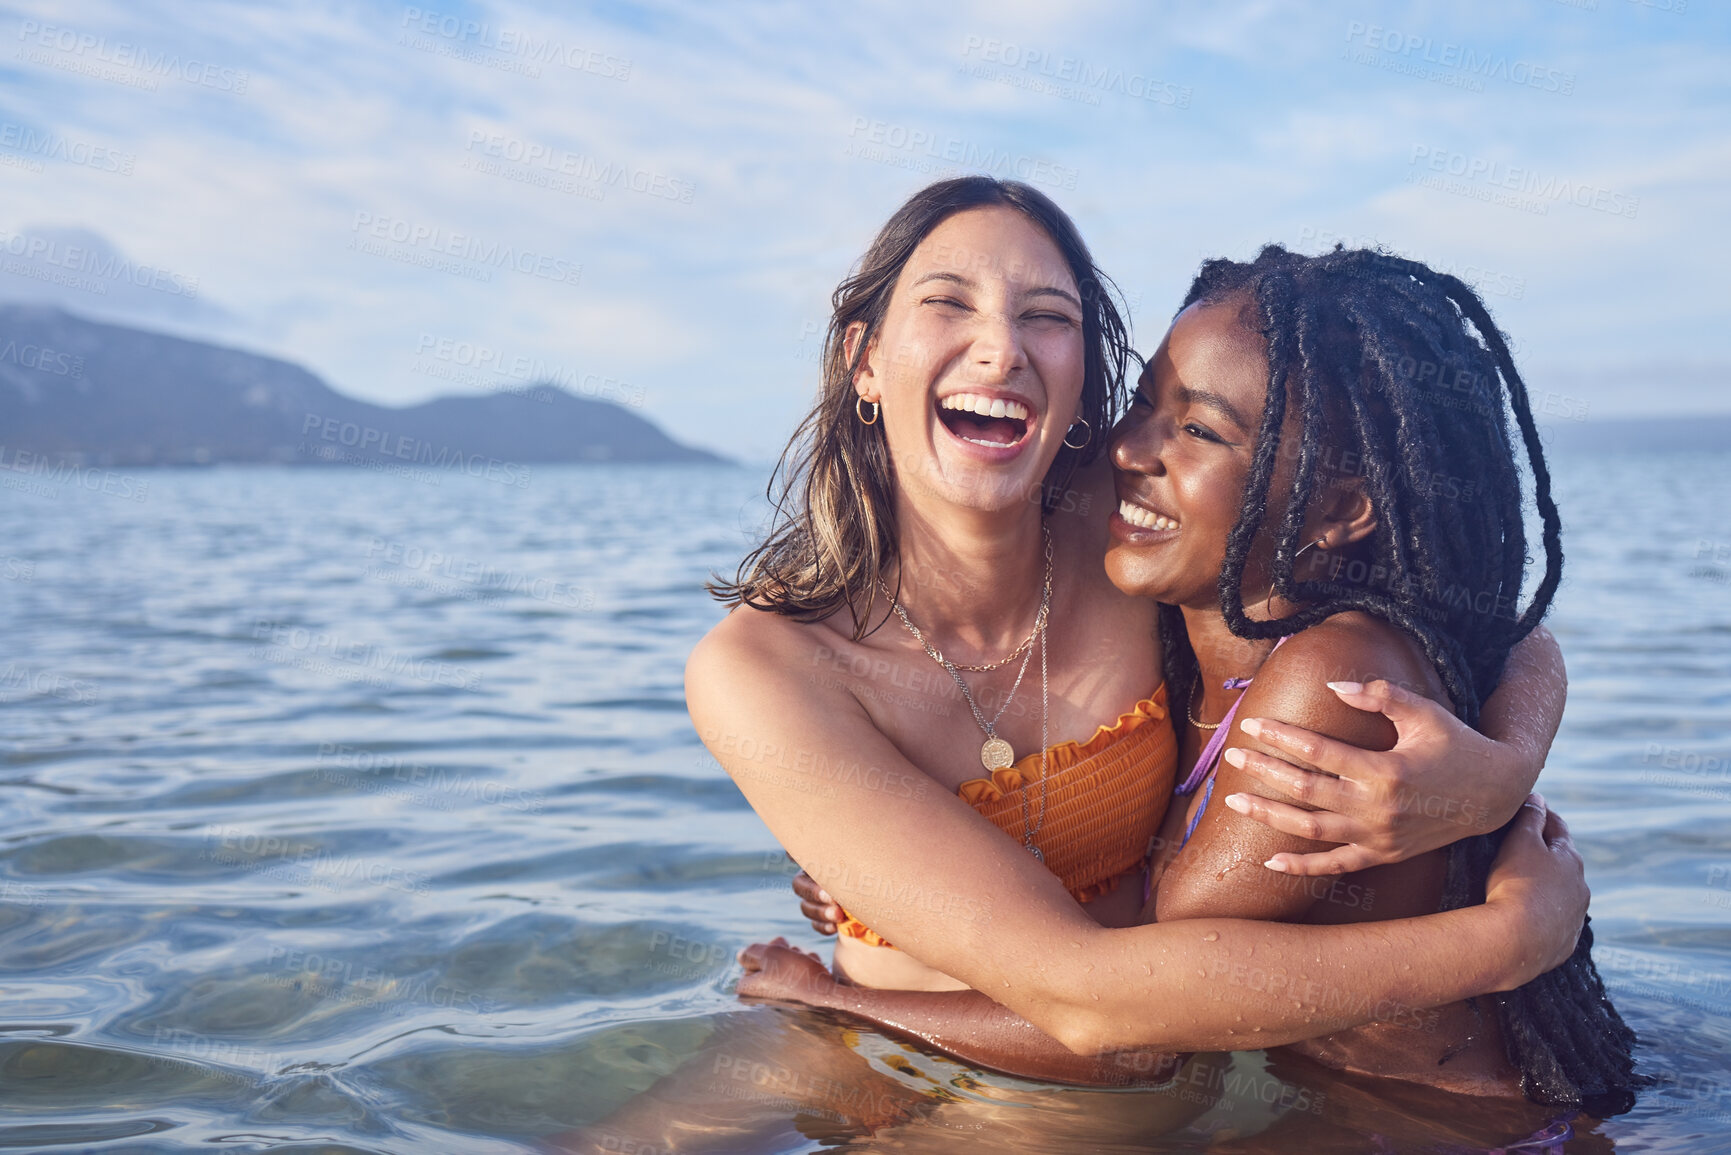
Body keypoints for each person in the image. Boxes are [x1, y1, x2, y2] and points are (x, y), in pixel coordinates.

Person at [557, 179, 1587, 1151]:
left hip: (1094, 1085)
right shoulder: (770, 670)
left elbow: (1468, 606)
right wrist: (1507, 931)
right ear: (864, 359)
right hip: (905, 1045)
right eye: (948, 302)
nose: (999, 349)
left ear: (1080, 375)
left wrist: (1499, 772)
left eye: (1046, 315)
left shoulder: (1133, 520)